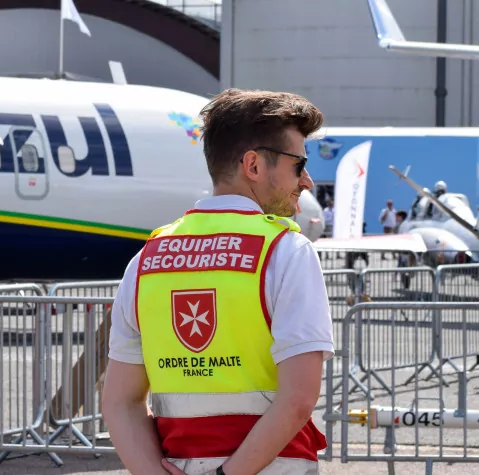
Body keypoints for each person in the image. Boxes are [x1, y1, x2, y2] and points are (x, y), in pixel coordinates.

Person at [102, 88, 335, 475]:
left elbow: (120, 403)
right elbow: (298, 399)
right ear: (253, 165)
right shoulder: (286, 251)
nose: (307, 181)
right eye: (299, 165)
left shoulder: (146, 260)